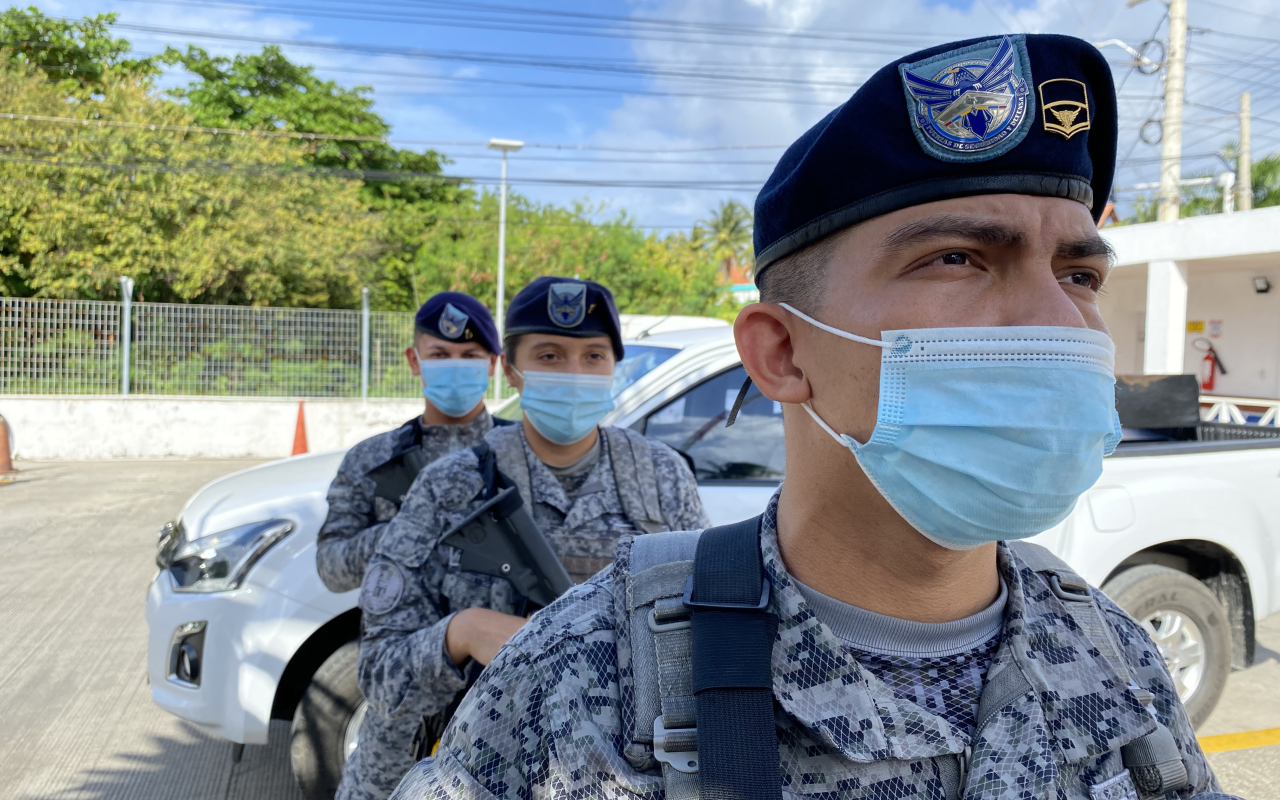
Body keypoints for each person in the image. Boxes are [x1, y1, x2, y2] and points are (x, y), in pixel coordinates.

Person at [389, 35, 1239, 800]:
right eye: (959, 258)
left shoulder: (1115, 653)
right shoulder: (581, 679)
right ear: (782, 355)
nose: (1062, 320)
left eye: (1080, 275)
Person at [336, 276, 710, 800]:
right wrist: (462, 633)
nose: (574, 374)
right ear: (511, 370)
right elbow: (378, 674)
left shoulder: (662, 478)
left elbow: (708, 635)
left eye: (593, 356)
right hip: (463, 772)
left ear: (613, 368)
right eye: (550, 356)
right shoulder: (452, 485)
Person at [315, 292, 507, 594]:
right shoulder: (373, 457)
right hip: (398, 636)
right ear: (414, 361)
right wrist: (408, 526)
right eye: (440, 355)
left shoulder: (518, 450)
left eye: (470, 355)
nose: (455, 366)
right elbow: (331, 571)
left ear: (493, 363)